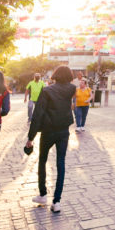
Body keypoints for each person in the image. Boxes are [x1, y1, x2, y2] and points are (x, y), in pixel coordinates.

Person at [26, 65, 76, 213]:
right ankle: (57, 201)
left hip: (48, 131)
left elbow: (38, 114)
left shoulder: (47, 91)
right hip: (63, 131)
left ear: (55, 75)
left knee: (42, 160)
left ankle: (42, 194)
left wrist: (31, 137)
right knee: (61, 163)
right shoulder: (71, 89)